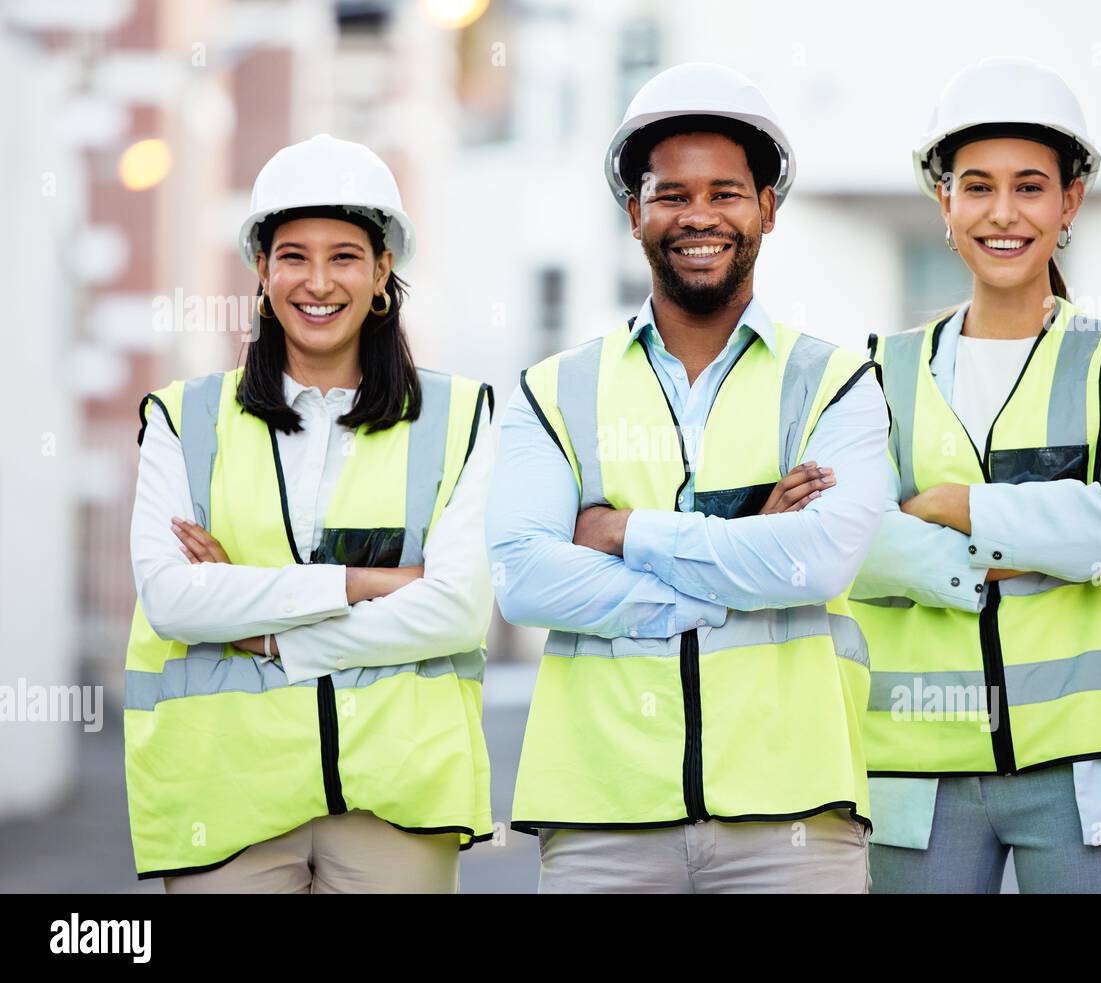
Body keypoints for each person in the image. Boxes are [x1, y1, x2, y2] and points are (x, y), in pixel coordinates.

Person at [486, 63, 889, 894]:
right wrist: (743, 558)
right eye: (672, 194)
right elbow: (523, 578)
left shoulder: (839, 384)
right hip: (602, 817)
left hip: (795, 821)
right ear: (634, 212)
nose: (698, 216)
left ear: (767, 209)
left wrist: (623, 531)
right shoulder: (553, 388)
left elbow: (817, 564)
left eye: (726, 192)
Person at [849, 57, 1101, 893]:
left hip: (1093, 765)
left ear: (1069, 201)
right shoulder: (874, 371)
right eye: (976, 186)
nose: (1002, 213)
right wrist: (1039, 532)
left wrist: (947, 505)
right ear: (944, 201)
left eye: (1030, 186)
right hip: (918, 765)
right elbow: (846, 543)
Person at [123, 134, 495, 892]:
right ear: (260, 269)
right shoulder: (184, 418)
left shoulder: (460, 417)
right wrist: (367, 581)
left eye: (345, 256)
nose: (318, 282)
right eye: (293, 255)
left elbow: (456, 610)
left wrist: (261, 628)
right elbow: (172, 599)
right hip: (226, 794)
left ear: (384, 269)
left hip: (399, 799)